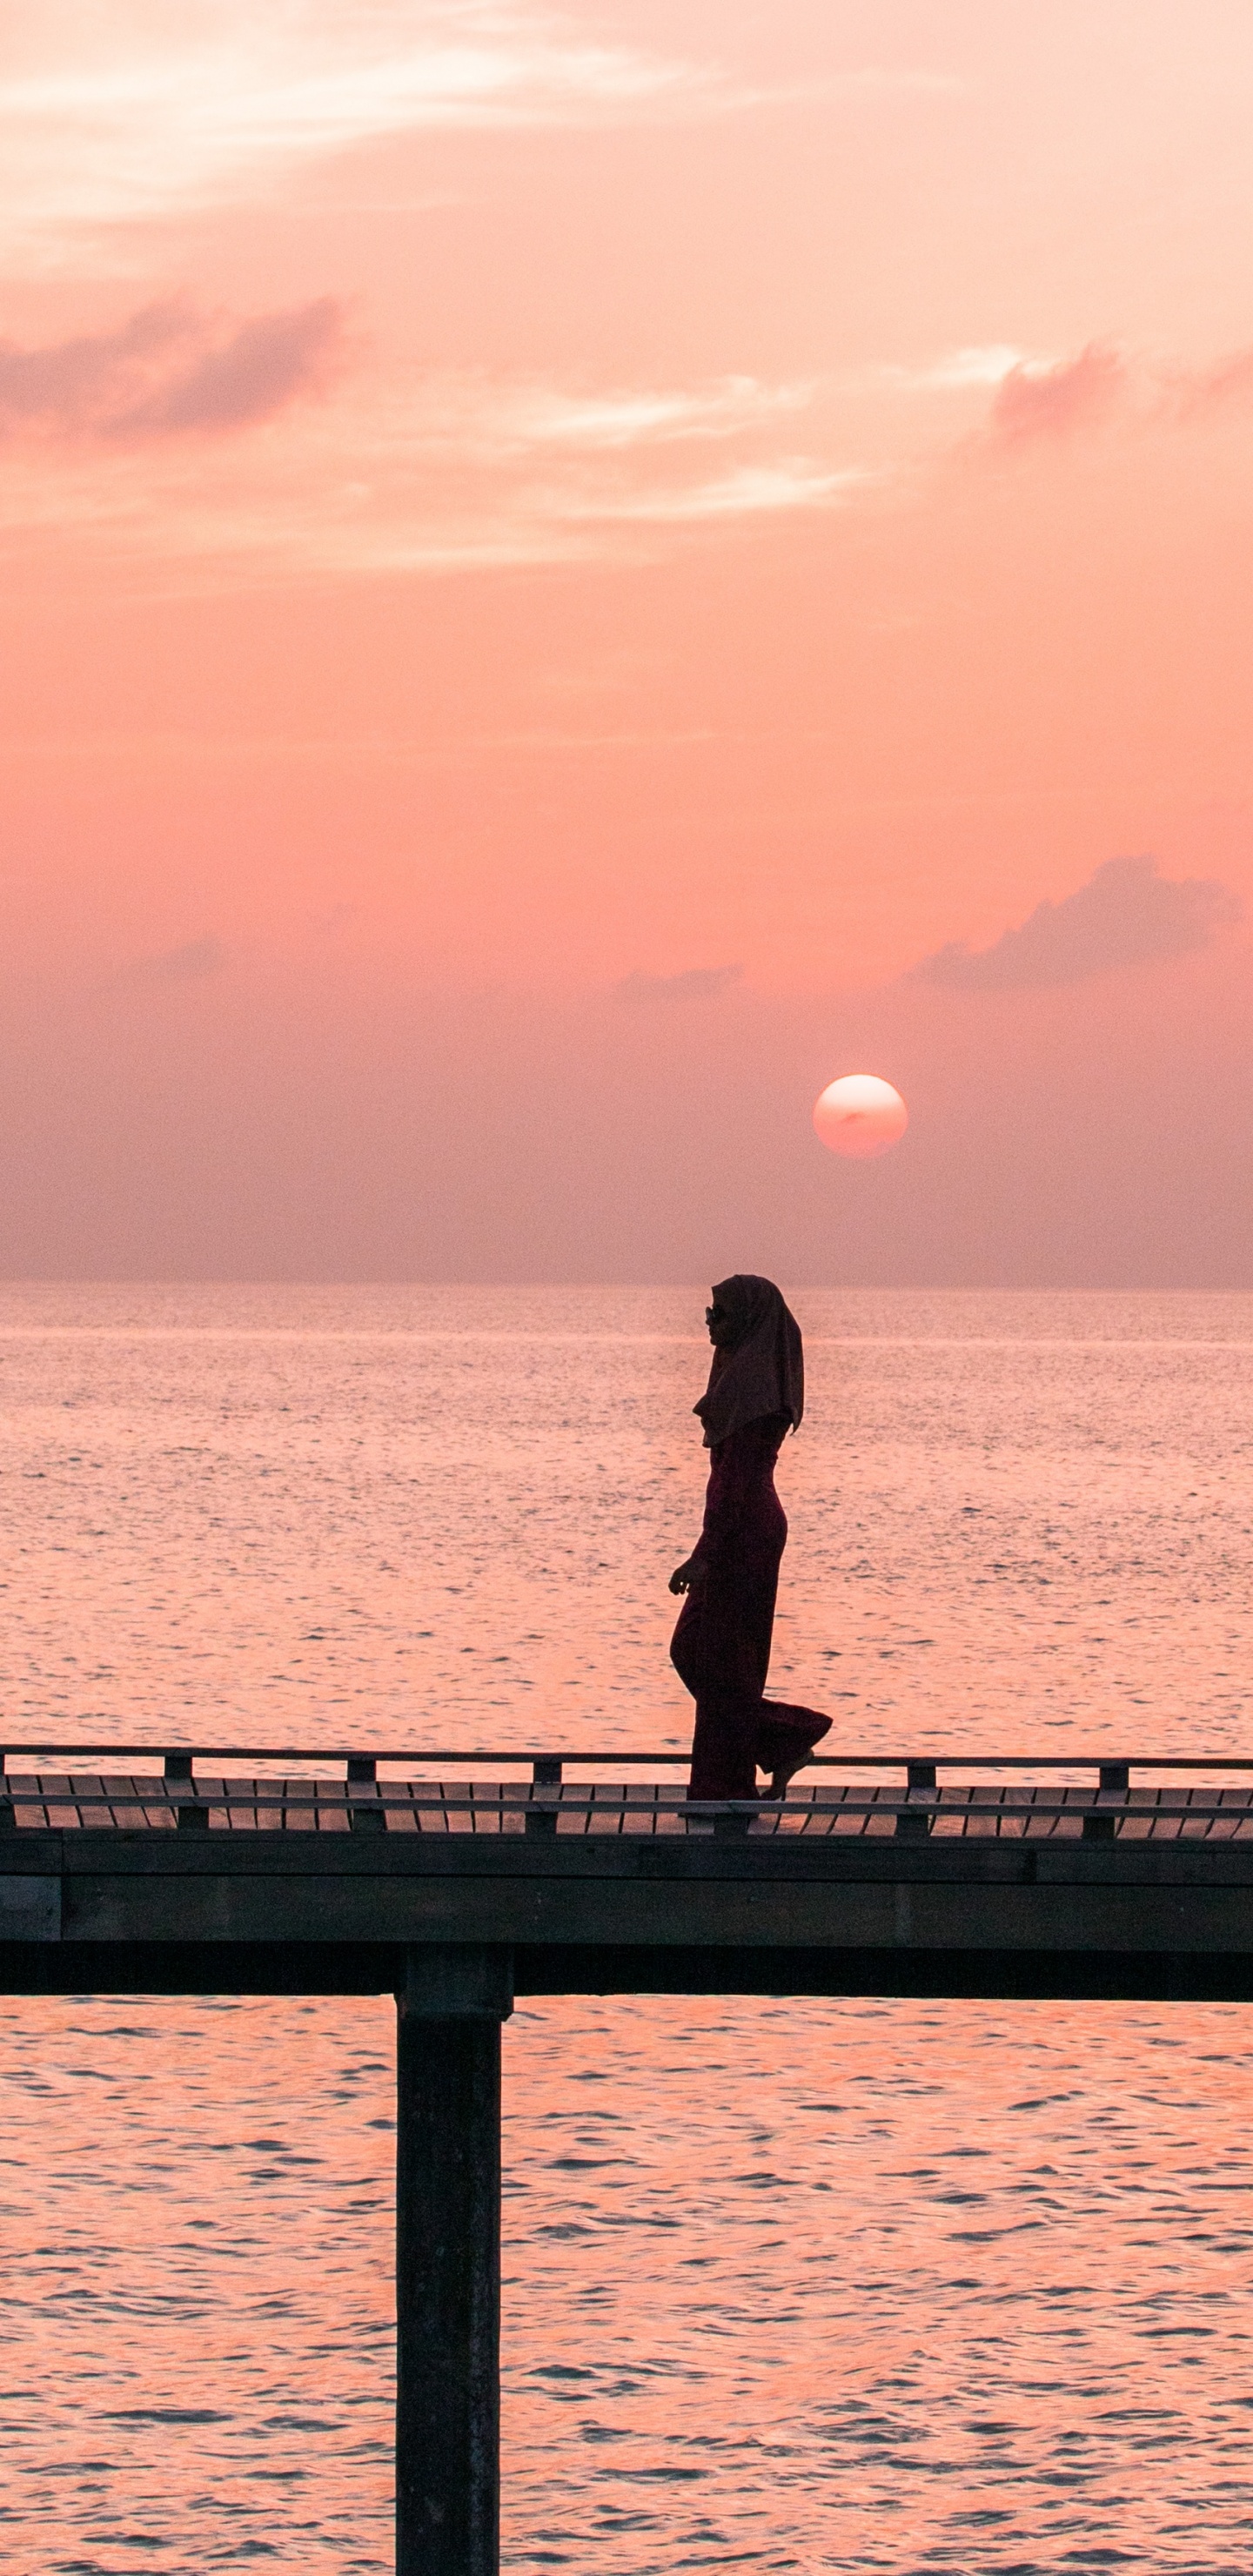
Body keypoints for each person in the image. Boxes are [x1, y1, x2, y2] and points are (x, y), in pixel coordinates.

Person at [668, 1274, 831, 1802]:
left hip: (744, 1529)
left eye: (720, 1311)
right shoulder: (743, 1379)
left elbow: (736, 1480)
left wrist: (703, 1555)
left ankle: (738, 1780)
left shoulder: (755, 1392)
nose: (710, 1321)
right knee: (706, 1654)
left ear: (750, 1320)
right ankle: (777, 1743)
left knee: (714, 1655)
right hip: (740, 1525)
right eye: (709, 1310)